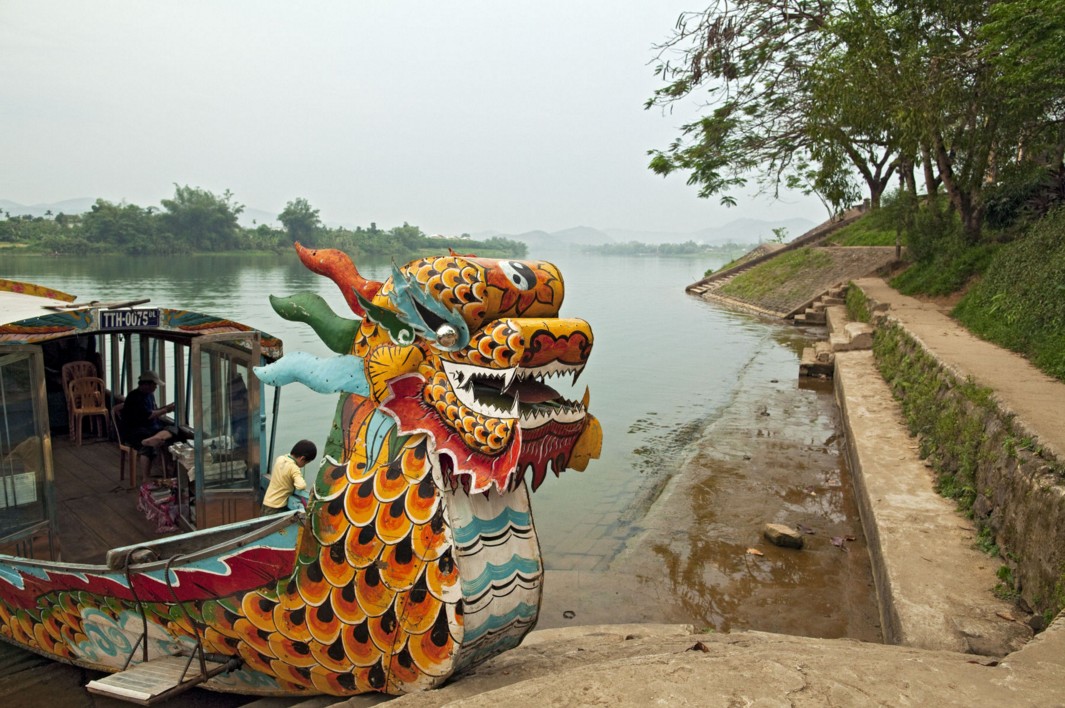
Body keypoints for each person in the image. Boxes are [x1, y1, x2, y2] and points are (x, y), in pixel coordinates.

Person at [120, 370, 178, 478]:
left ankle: (154, 439)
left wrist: (165, 408)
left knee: (174, 429)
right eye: (154, 384)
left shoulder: (149, 395)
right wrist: (166, 410)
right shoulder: (134, 397)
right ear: (146, 384)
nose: (156, 387)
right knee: (147, 448)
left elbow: (153, 411)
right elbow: (148, 415)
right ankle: (146, 478)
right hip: (134, 431)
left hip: (150, 429)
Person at [260, 440, 317, 515]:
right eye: (306, 463)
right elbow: (301, 485)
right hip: (277, 506)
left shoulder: (280, 458)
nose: (304, 465)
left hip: (267, 502)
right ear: (302, 458)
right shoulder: (294, 468)